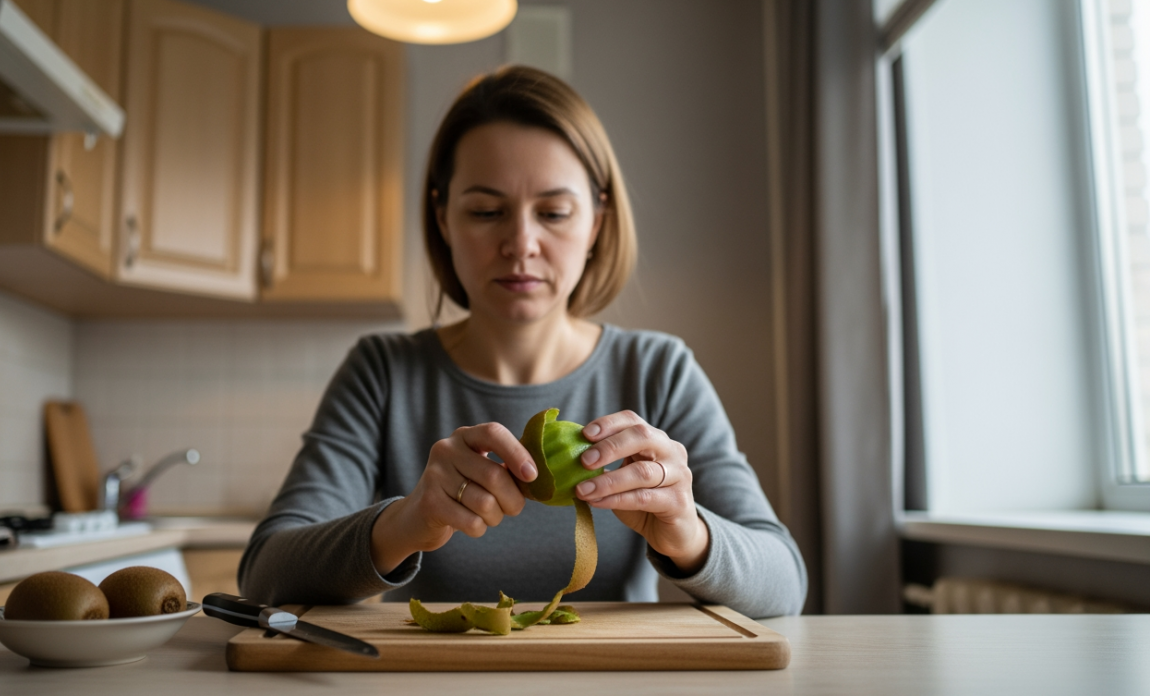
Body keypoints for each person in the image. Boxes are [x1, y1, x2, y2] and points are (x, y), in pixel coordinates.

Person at [238, 66, 806, 618]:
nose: (521, 243)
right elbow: (265, 572)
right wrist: (405, 522)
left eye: (554, 212)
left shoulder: (659, 369)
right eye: (486, 211)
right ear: (442, 218)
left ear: (597, 223)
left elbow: (785, 583)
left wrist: (690, 533)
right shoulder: (383, 371)